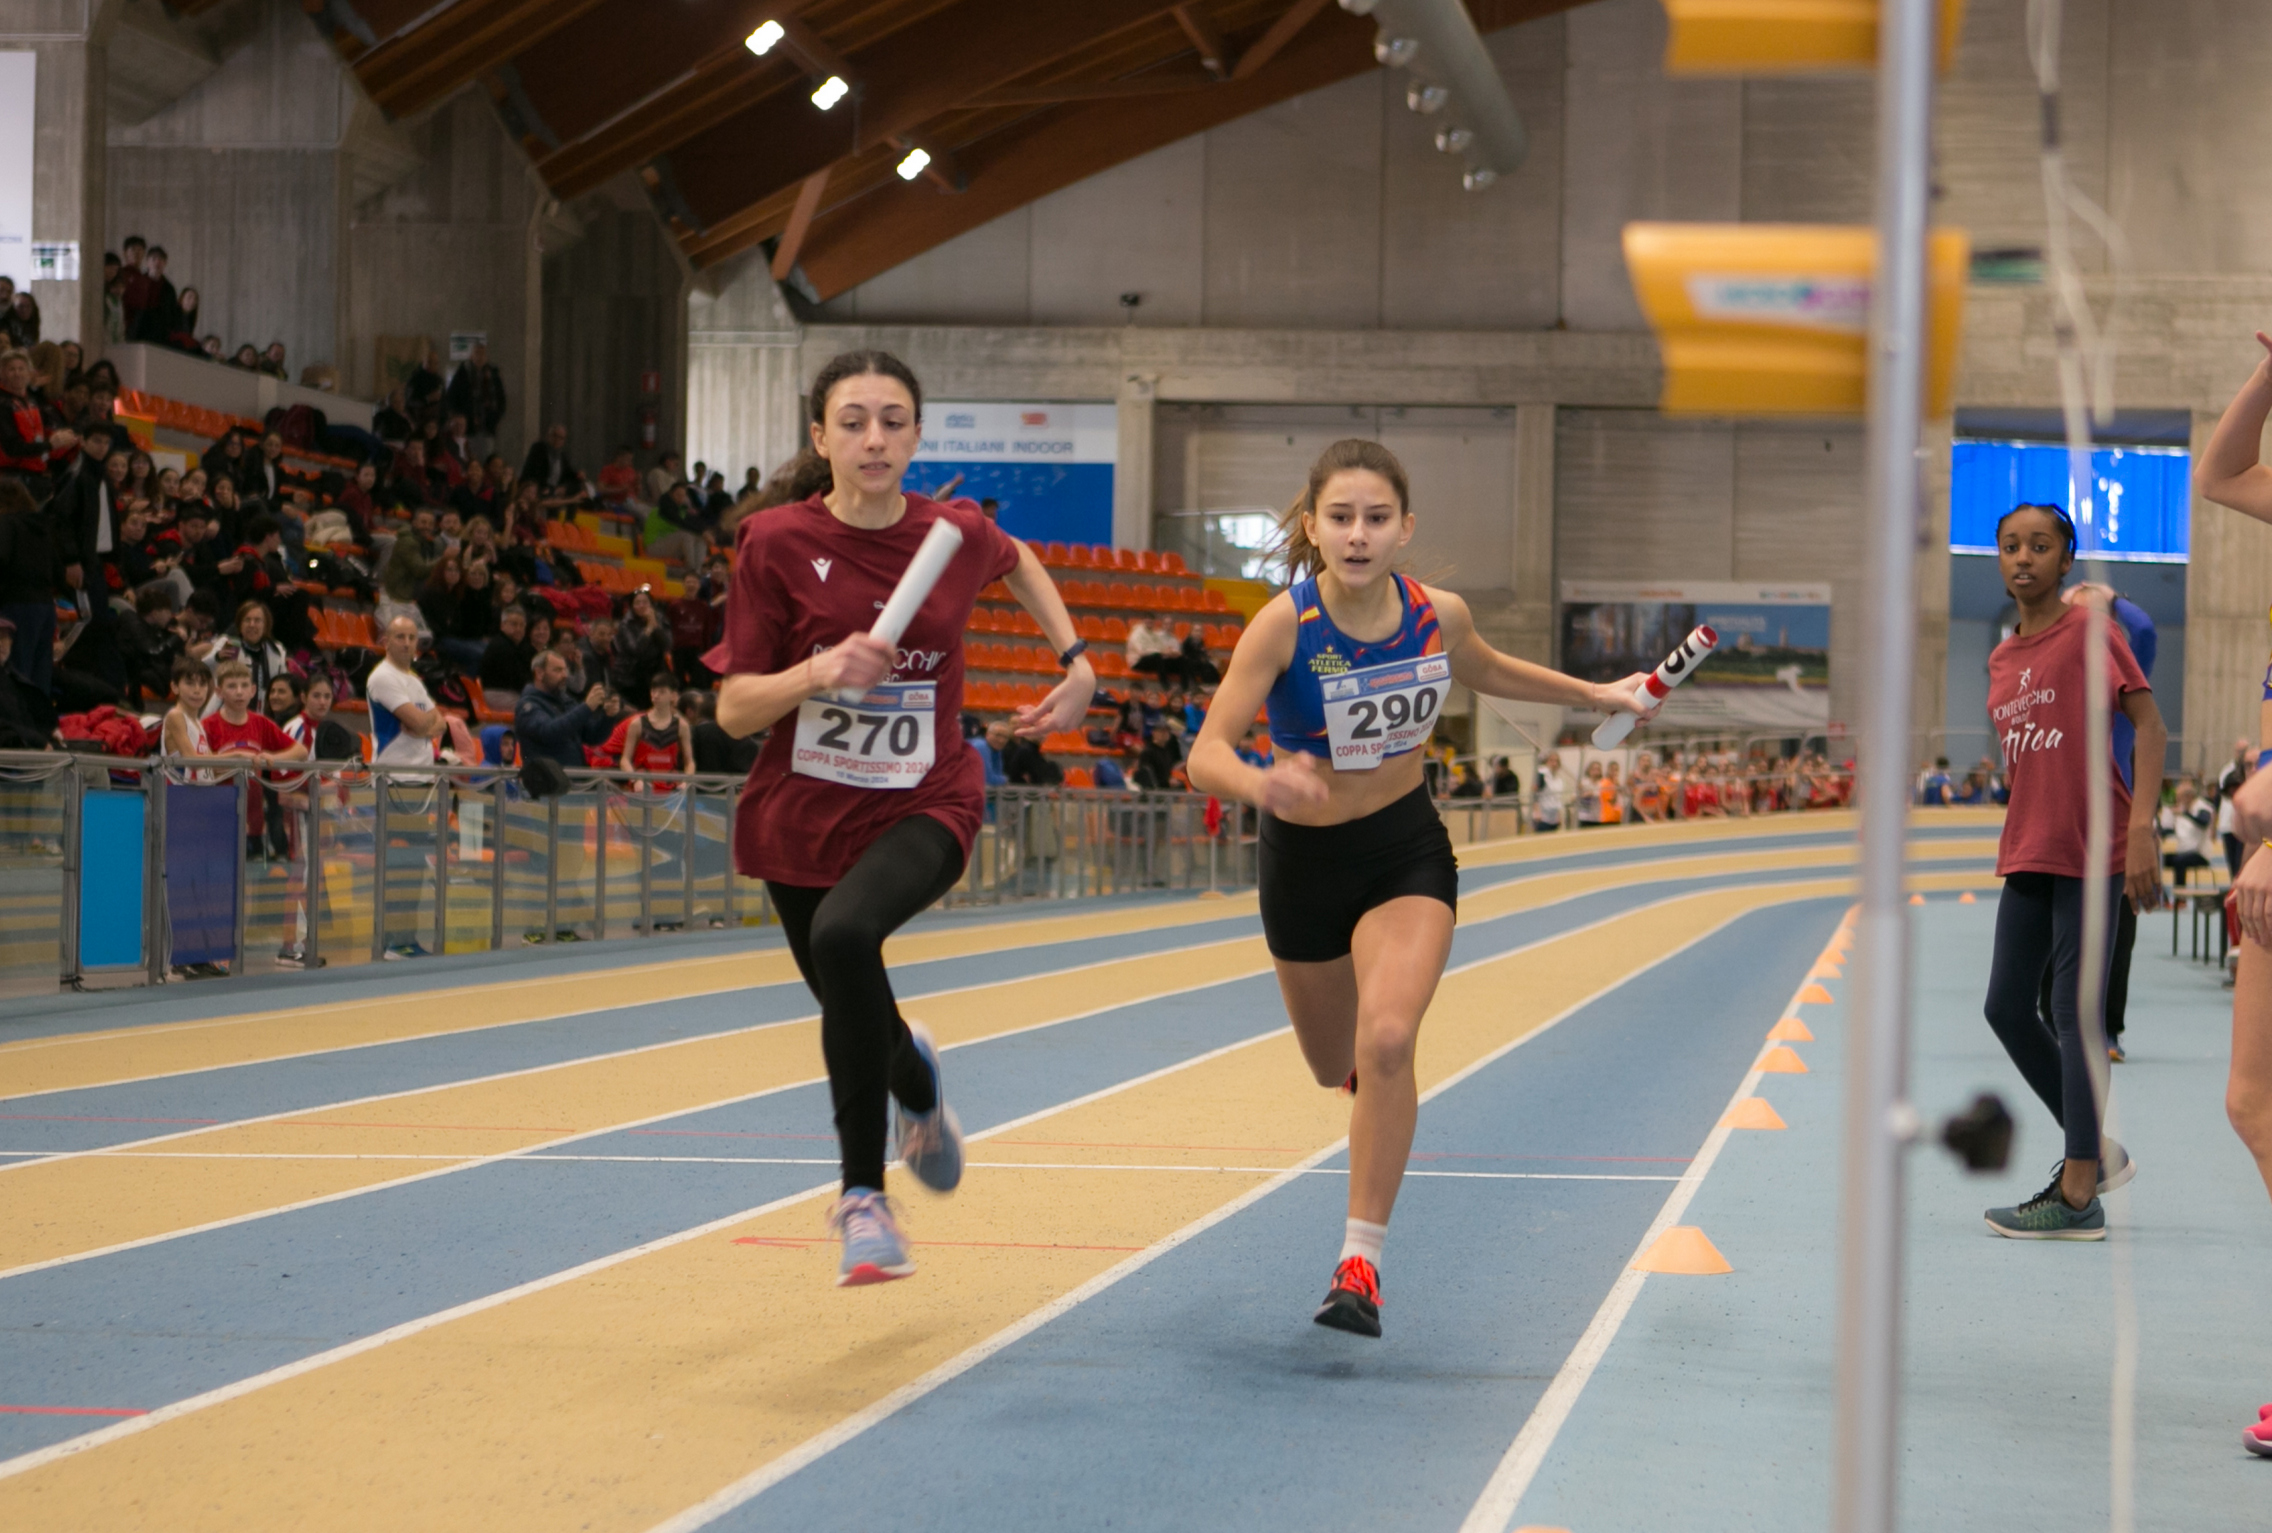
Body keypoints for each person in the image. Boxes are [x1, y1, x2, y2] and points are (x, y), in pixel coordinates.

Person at [1183, 438, 1655, 1338]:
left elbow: (1493, 669)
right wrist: (1259, 782)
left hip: (1403, 852)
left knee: (1391, 1036)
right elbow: (1205, 752)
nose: (1358, 535)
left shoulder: (1437, 616)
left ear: (1406, 527)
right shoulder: (1282, 625)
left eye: (1376, 518)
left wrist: (1603, 693)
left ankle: (1359, 1262)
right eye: (1340, 517)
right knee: (1335, 1063)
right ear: (1314, 524)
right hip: (1302, 862)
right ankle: (1369, 1081)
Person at [713, 349, 1093, 1287]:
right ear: (820, 436)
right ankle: (914, 1082)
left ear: (918, 435)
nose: (873, 438)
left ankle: (862, 1199)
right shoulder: (771, 542)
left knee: (846, 937)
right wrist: (818, 670)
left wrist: (1077, 659)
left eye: (892, 421)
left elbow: (1019, 561)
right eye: (852, 422)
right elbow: (734, 711)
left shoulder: (952, 533)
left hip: (927, 797)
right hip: (802, 815)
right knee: (850, 994)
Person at [1976, 503, 2163, 1240]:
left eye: (2039, 545)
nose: (2023, 557)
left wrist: (2141, 826)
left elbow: (2150, 726)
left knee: (2073, 1012)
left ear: (2065, 559)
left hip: (2094, 846)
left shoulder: (2091, 632)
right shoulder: (2001, 660)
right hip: (2030, 844)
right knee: (2004, 1006)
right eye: (2010, 546)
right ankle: (2094, 1151)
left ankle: (2079, 1192)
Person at [514, 648, 616, 769]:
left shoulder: (566, 700)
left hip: (575, 775)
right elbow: (549, 733)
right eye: (558, 670)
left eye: (565, 670)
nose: (565, 675)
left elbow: (592, 736)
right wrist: (586, 708)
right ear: (539, 673)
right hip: (545, 777)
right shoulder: (528, 706)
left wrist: (607, 716)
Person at [621, 670, 694, 783]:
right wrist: (635, 780)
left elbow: (689, 762)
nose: (656, 696)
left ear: (673, 695)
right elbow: (625, 760)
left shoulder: (682, 726)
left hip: (671, 786)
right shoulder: (637, 724)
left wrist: (685, 782)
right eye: (653, 691)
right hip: (643, 786)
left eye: (662, 692)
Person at [444, 341, 507, 461]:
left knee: (487, 457)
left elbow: (500, 398)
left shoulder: (492, 374)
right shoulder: (463, 373)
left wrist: (497, 418)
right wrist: (459, 417)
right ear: (471, 356)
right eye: (477, 353)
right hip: (468, 426)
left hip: (487, 426)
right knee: (468, 457)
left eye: (482, 354)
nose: (480, 357)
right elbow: (451, 397)